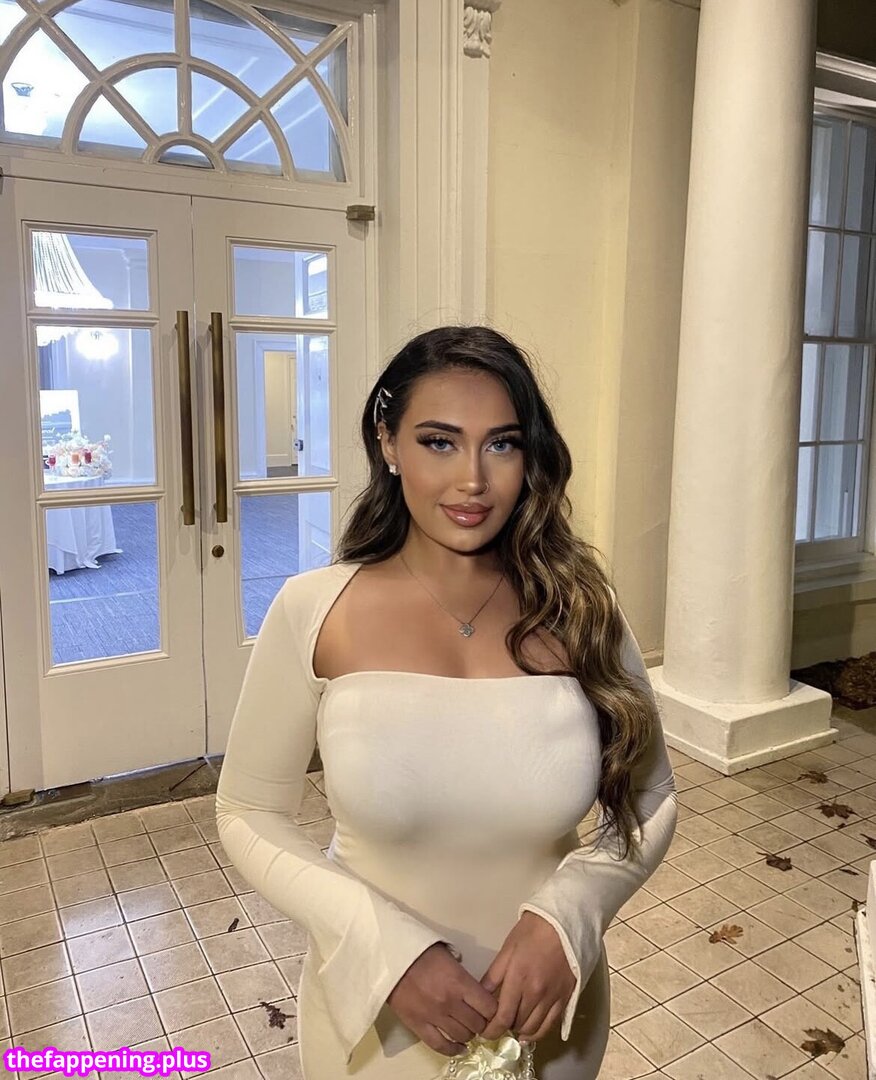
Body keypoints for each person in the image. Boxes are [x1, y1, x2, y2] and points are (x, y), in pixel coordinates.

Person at [215, 325, 677, 1080]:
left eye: (501, 444)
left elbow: (651, 798)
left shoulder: (585, 612)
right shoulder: (313, 611)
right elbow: (247, 811)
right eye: (439, 442)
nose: (473, 480)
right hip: (376, 1026)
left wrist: (573, 916)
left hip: (549, 1022)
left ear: (530, 456)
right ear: (388, 444)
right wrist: (381, 948)